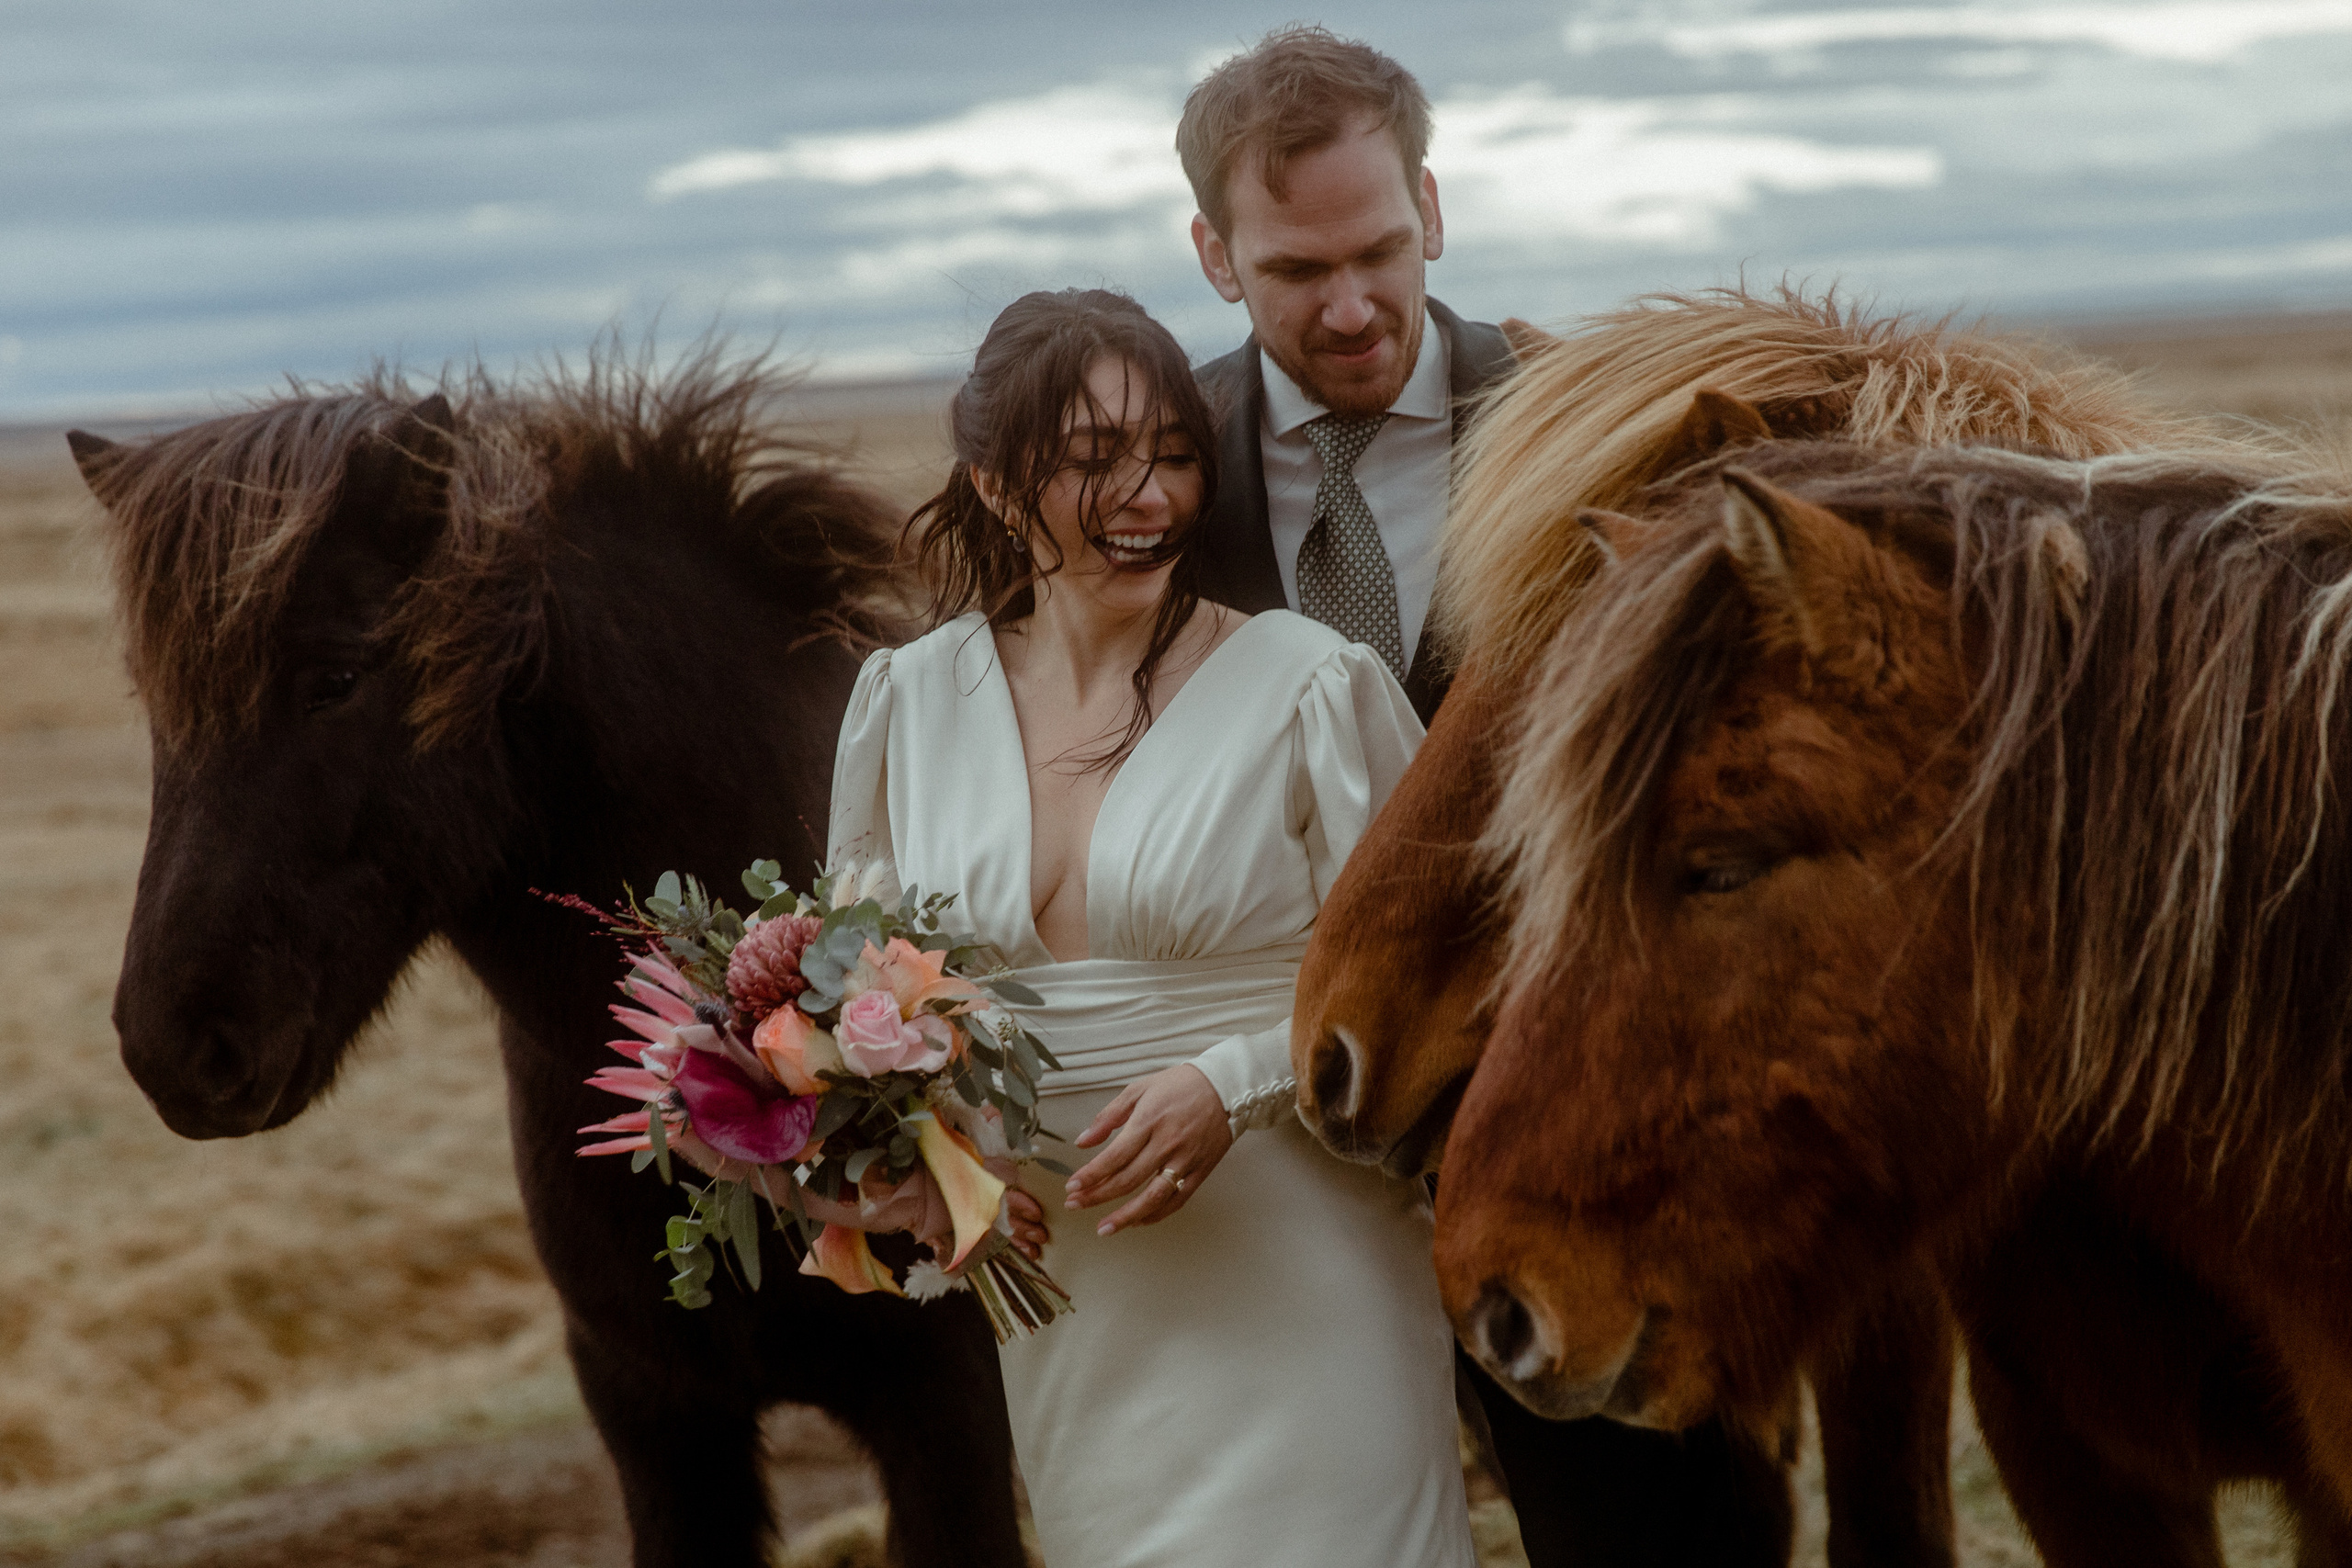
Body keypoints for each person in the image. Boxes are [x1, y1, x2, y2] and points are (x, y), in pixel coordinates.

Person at [1176, 28, 1798, 1566]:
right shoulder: (1155, 467)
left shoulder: (1607, 426)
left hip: (1577, 1125)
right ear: (1212, 255)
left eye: (1382, 250)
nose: (1352, 304)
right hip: (1268, 1166)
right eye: (1294, 270)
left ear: (1434, 210)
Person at [829, 288, 1477, 1567]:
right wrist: (939, 1170)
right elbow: (864, 993)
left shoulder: (1309, 683)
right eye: (1093, 462)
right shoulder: (905, 701)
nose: (1150, 496)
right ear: (997, 483)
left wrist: (1228, 1084)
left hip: (1307, 1263)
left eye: (1174, 454)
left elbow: (1433, 974)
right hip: (1073, 1296)